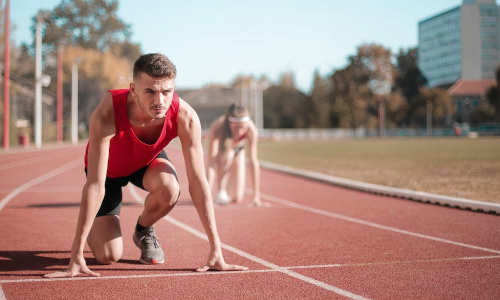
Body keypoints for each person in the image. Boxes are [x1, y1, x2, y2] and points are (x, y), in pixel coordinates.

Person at [45, 53, 248, 278]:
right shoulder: (108, 111)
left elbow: (198, 181)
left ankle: (143, 230)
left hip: (145, 162)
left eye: (166, 91)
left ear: (173, 88)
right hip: (108, 173)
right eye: (150, 91)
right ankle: (94, 225)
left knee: (170, 188)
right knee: (108, 256)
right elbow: (95, 184)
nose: (159, 101)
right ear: (133, 89)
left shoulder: (185, 117)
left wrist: (216, 250)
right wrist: (76, 255)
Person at [205, 104, 264, 206]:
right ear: (229, 123)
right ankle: (221, 191)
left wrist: (256, 196)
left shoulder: (251, 129)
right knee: (228, 155)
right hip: (222, 151)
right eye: (236, 128)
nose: (240, 132)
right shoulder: (218, 126)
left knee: (236, 198)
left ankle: (228, 191)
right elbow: (211, 162)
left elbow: (253, 161)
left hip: (239, 150)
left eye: (243, 128)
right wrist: (206, 195)